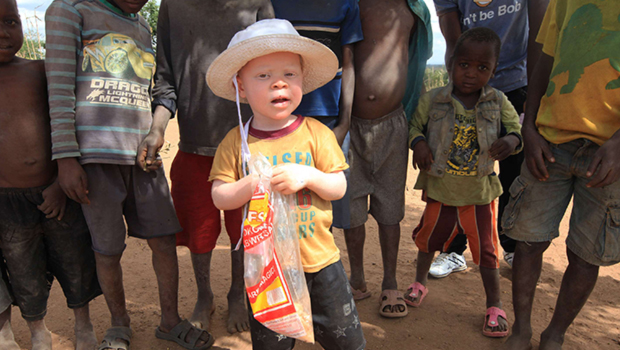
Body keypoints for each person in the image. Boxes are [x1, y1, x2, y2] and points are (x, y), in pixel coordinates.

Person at [45, 0, 212, 349]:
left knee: (164, 239)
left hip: (142, 158)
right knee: (107, 250)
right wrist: (65, 158)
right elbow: (58, 90)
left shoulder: (141, 25)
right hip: (94, 160)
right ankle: (119, 325)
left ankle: (170, 320)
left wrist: (155, 132)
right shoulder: (70, 9)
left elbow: (149, 92)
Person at [206, 19, 366, 350]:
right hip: (268, 272)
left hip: (321, 263)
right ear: (240, 86)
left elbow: (338, 186)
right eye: (263, 76)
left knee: (346, 341)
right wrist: (250, 184)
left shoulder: (317, 134)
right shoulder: (237, 142)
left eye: (289, 75)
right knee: (271, 345)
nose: (279, 84)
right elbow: (220, 196)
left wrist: (307, 176)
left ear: (302, 81)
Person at [501, 0, 620, 349]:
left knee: (586, 253)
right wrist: (530, 124)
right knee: (527, 240)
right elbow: (545, 58)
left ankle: (555, 333)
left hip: (608, 151)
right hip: (550, 139)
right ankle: (521, 330)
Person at [152, 0, 273, 333]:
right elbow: (165, 79)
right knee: (199, 231)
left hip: (247, 146)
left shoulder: (257, 3)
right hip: (193, 146)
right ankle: (204, 295)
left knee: (245, 231)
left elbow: (272, 67)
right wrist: (157, 128)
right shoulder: (174, 6)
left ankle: (238, 293)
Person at [404, 28, 522, 338]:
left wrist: (511, 140)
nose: (471, 74)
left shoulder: (498, 101)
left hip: (479, 194)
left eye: (482, 68)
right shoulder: (434, 100)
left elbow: (516, 131)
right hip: (441, 189)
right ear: (451, 63)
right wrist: (418, 143)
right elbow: (414, 126)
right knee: (428, 240)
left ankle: (494, 305)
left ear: (493, 70)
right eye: (464, 65)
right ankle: (419, 283)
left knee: (486, 250)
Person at [0, 1, 102, 349]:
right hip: (6, 202)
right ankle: (38, 331)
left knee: (75, 259)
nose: (4, 31)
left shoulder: (40, 71)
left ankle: (83, 324)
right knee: (23, 268)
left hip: (55, 190)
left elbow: (67, 120)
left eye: (11, 21)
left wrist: (61, 180)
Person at [428, 0, 549, 277]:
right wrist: (461, 87)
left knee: (513, 175)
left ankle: (511, 245)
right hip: (470, 87)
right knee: (461, 168)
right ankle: (453, 250)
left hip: (517, 84)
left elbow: (539, 33)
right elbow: (451, 35)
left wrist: (533, 96)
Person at [343, 0, 433, 318]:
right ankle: (356, 277)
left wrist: (418, 128)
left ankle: (390, 279)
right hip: (350, 125)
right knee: (352, 209)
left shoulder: (413, 10)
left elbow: (417, 64)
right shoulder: (352, 5)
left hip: (394, 125)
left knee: (390, 209)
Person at [270, 0, 363, 231]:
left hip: (329, 121)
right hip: (283, 118)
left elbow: (349, 64)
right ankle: (287, 266)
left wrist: (344, 123)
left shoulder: (345, 4)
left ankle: (318, 265)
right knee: (283, 204)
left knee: (324, 207)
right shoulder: (273, 4)